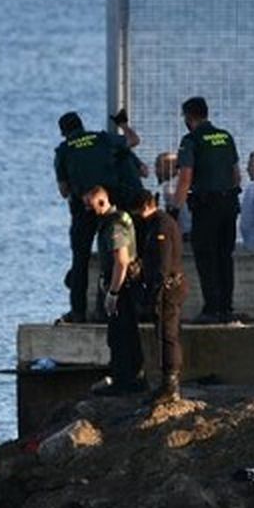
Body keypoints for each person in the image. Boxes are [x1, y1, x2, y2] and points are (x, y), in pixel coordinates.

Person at [54, 110, 142, 323]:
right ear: (82, 126)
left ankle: (78, 312)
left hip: (83, 210)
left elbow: (64, 190)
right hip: (109, 206)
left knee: (80, 261)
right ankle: (120, 304)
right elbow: (133, 140)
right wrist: (123, 125)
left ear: (64, 133)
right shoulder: (102, 138)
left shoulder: (64, 151)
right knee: (117, 253)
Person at [175, 96, 242, 323]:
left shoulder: (191, 140)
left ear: (189, 116)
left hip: (206, 206)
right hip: (229, 204)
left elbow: (185, 178)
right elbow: (236, 174)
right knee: (225, 256)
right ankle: (226, 308)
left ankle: (211, 309)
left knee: (206, 257)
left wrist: (175, 209)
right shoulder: (225, 136)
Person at [85, 184, 145, 395]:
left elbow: (121, 261)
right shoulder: (116, 219)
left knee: (120, 335)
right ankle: (133, 378)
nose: (88, 211)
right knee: (126, 333)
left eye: (90, 206)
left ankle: (124, 381)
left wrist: (113, 293)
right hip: (123, 284)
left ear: (102, 201)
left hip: (122, 285)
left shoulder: (114, 224)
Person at [134, 190, 187, 404]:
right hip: (164, 287)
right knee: (163, 334)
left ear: (147, 204)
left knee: (168, 335)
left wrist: (156, 290)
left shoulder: (162, 225)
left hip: (168, 289)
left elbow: (163, 262)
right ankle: (167, 382)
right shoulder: (153, 224)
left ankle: (171, 385)